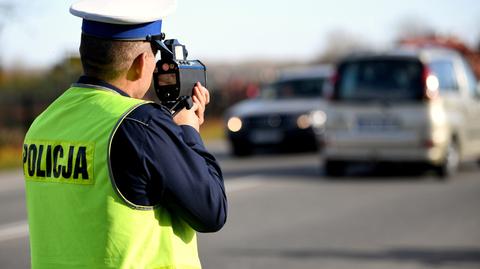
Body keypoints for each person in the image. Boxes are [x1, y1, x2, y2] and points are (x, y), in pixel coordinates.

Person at [21, 0, 227, 268]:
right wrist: (189, 130)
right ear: (142, 62)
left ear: (86, 51)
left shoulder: (43, 123)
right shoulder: (140, 124)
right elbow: (212, 210)